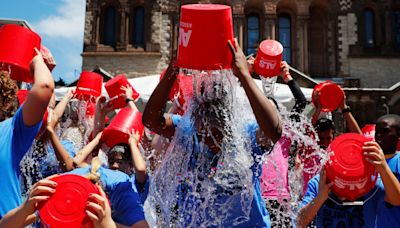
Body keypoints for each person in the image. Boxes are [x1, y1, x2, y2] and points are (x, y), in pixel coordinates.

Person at [142, 38, 282, 227]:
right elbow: (151, 120)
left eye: (215, 135)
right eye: (202, 134)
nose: (207, 139)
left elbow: (274, 131)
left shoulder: (245, 136)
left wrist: (243, 75)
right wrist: (175, 67)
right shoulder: (187, 132)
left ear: (227, 125)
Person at [0, 48, 55, 218]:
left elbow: (44, 89)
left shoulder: (11, 130)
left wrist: (36, 60)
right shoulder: (9, 132)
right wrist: (37, 61)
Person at [296, 138, 400, 227]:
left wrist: (384, 167)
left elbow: (397, 200)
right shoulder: (319, 183)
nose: (348, 194)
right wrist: (320, 198)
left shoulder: (373, 185)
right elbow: (299, 222)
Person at [375, 114, 400, 227]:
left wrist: (383, 167)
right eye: (377, 131)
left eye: (385, 131)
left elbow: (397, 199)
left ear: (398, 135)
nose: (379, 135)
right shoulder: (366, 161)